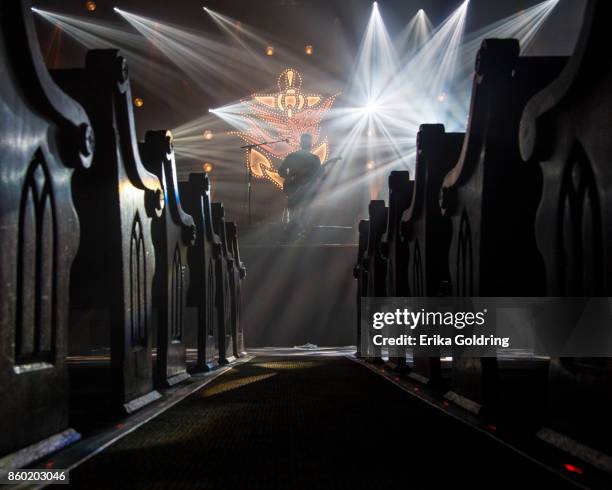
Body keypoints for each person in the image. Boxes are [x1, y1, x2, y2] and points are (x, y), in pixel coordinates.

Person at [277, 133, 321, 234]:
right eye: (306, 141)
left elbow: (281, 171)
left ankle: (298, 233)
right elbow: (281, 171)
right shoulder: (311, 158)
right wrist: (290, 178)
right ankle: (298, 233)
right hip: (297, 189)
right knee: (300, 214)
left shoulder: (312, 158)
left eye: (307, 141)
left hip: (304, 190)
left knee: (301, 213)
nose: (307, 143)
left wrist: (289, 178)